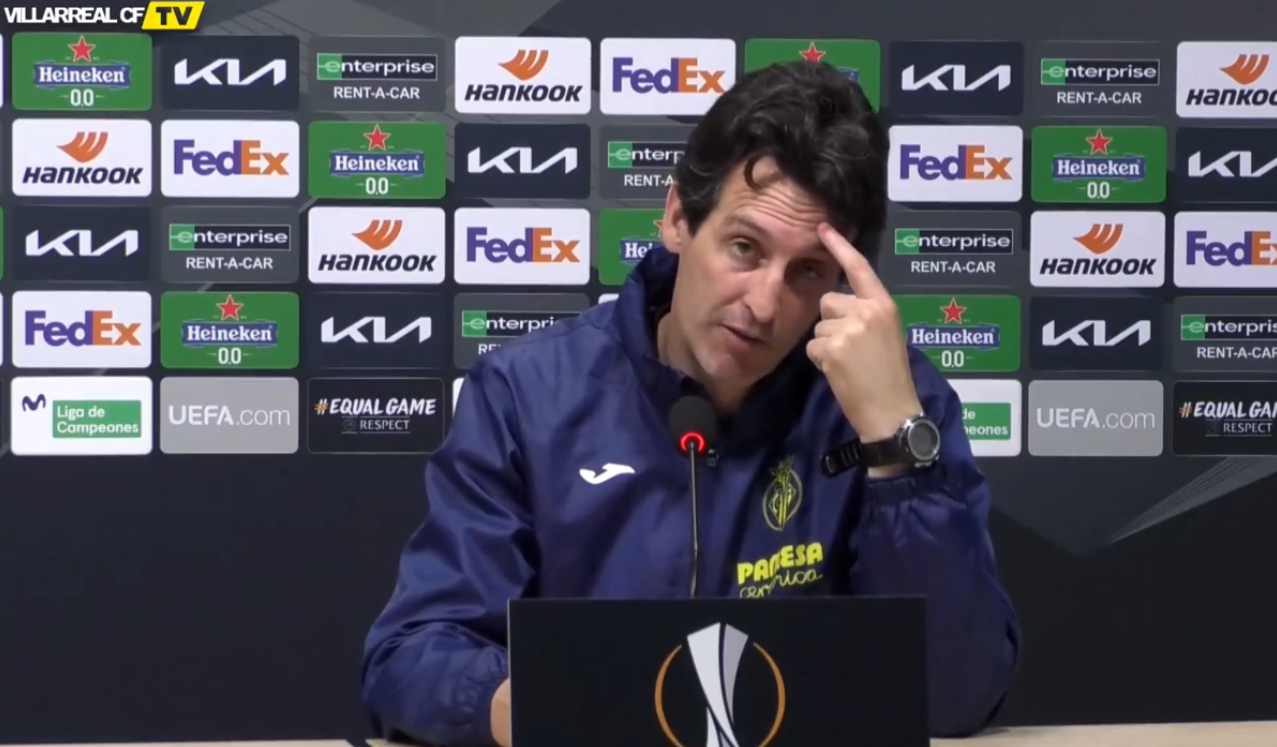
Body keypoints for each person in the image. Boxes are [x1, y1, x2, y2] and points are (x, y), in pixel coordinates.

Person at [362, 60, 1021, 746]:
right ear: (678, 218)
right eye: (744, 247)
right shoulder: (527, 392)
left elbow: (956, 695)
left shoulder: (894, 402)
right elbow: (410, 654)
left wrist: (896, 447)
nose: (764, 304)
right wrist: (542, 705)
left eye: (807, 271)